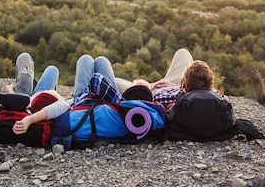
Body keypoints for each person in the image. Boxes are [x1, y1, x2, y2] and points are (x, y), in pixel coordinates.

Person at [13, 54, 166, 145]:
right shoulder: (133, 133)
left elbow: (95, 82)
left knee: (87, 60)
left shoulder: (53, 111)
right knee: (99, 60)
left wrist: (119, 103)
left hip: (91, 103)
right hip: (100, 106)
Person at [115, 48, 194, 109]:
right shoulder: (196, 92)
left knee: (116, 82)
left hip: (146, 94)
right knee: (183, 52)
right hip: (177, 85)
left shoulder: (185, 102)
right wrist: (176, 85)